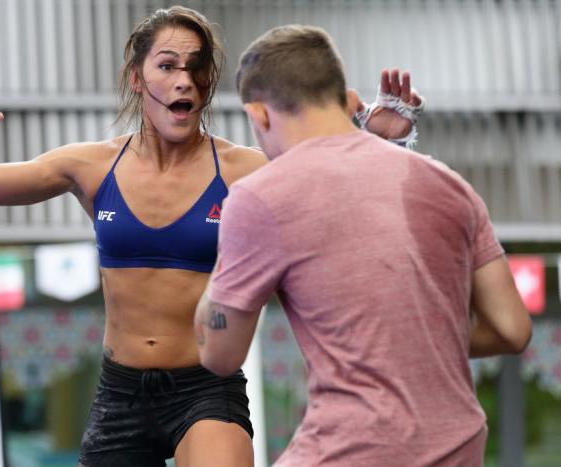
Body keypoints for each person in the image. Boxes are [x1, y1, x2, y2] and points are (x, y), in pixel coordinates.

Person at [0, 7, 422, 467]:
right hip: (120, 394)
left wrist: (380, 142)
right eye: (168, 66)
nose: (184, 80)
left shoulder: (244, 168)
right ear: (138, 78)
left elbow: (338, 184)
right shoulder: (92, 166)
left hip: (206, 388)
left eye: (197, 67)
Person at [194, 25, 532, 467]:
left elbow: (219, 354)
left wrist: (226, 252)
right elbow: (512, 328)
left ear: (258, 115)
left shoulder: (261, 196)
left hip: (352, 451)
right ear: (351, 101)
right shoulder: (449, 185)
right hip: (460, 448)